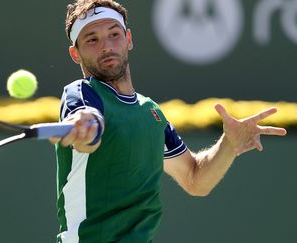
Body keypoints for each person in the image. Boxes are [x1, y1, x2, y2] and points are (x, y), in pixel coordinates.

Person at [51, 0, 287, 242]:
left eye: (114, 34)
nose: (106, 46)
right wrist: (84, 127)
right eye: (92, 39)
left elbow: (195, 180)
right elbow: (85, 123)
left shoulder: (151, 112)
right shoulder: (81, 92)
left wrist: (228, 144)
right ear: (75, 54)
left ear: (128, 39)